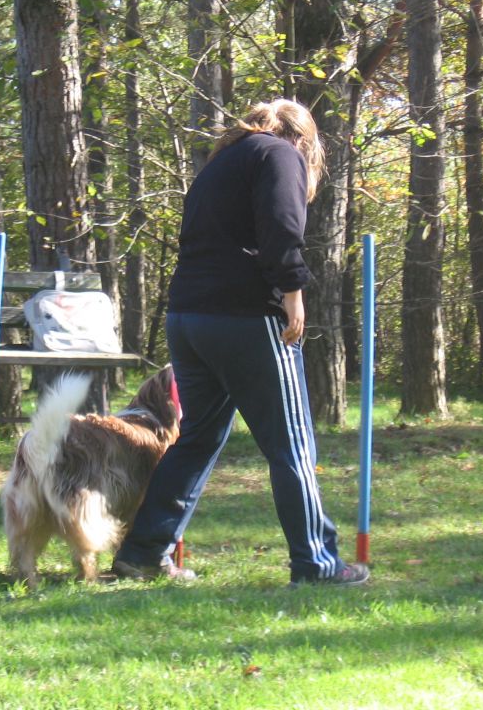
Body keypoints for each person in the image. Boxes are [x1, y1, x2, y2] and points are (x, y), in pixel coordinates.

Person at [111, 98, 370, 587]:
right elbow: (281, 228)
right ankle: (317, 563)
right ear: (304, 139)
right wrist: (292, 293)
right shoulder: (280, 155)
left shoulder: (221, 161)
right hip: (245, 318)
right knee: (290, 442)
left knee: (196, 440)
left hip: (188, 317)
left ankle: (143, 554)